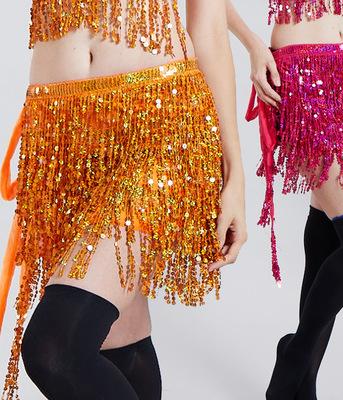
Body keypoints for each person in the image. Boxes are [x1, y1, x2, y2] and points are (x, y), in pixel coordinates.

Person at [0, 1, 247, 399]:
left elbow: (210, 30)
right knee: (115, 344)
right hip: (60, 138)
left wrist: (235, 176)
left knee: (57, 348)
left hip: (157, 122)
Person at [226, 1, 343, 399]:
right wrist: (253, 46)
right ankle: (294, 357)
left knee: (331, 231)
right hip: (303, 71)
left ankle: (302, 385)